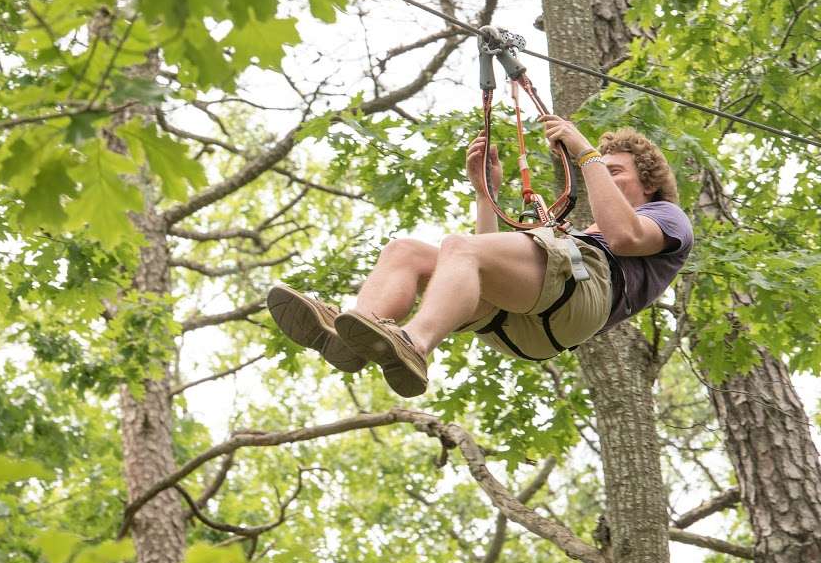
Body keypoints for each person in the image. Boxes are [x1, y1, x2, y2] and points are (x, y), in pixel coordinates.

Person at [267, 115, 694, 398]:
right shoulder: (583, 236)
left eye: (615, 170)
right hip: (527, 325)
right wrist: (484, 193)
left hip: (582, 300)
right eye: (606, 169)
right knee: (407, 252)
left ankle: (414, 343)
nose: (604, 174)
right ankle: (348, 340)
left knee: (458, 247)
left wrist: (587, 152)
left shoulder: (666, 216)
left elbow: (623, 235)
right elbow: (476, 268)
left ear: (649, 183)